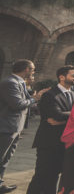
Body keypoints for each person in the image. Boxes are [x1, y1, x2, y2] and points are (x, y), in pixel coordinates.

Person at [27, 65, 74, 194]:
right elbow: (54, 116)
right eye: (73, 75)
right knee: (43, 176)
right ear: (62, 77)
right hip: (49, 142)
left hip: (64, 142)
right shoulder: (50, 95)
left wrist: (70, 117)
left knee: (55, 176)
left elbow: (60, 118)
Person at [0, 60, 46, 193]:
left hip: (15, 127)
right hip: (6, 127)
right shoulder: (10, 83)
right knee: (1, 156)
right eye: (32, 69)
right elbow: (17, 104)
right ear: (26, 69)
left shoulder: (19, 82)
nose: (33, 72)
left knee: (6, 157)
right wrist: (35, 98)